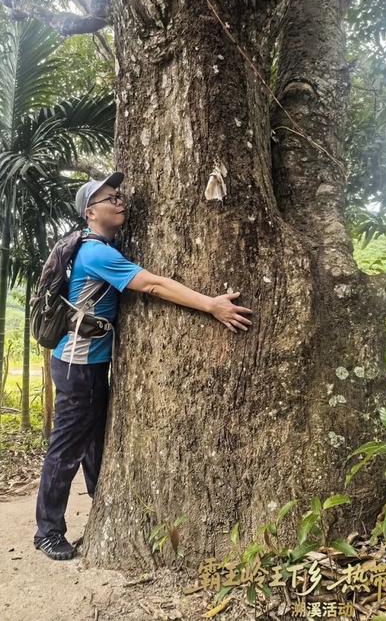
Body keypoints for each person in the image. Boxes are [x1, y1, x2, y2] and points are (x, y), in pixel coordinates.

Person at [34, 171, 252, 560]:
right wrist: (211, 305)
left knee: (95, 442)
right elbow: (155, 285)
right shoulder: (98, 253)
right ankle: (47, 532)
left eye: (119, 196)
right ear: (89, 213)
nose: (119, 202)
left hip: (89, 363)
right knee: (66, 448)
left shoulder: (96, 246)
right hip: (77, 365)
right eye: (109, 199)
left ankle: (101, 504)